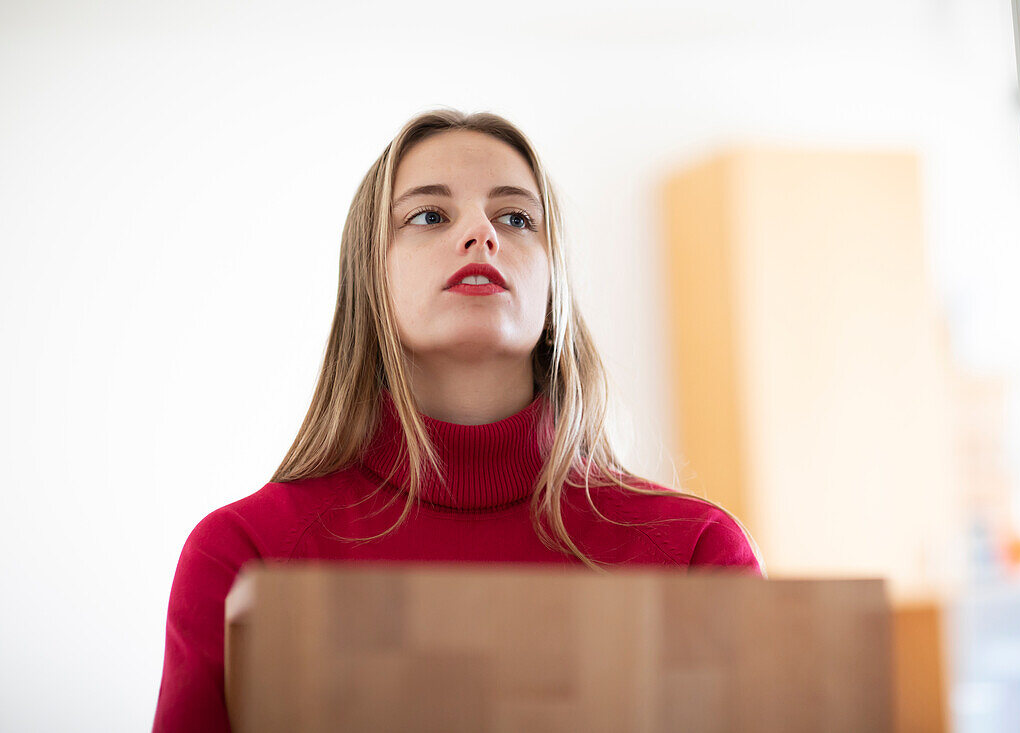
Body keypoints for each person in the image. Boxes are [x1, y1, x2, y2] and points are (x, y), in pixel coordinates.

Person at [152, 108, 766, 732]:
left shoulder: (698, 554)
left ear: (554, 284)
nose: (481, 233)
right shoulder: (245, 556)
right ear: (371, 278)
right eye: (429, 215)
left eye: (517, 218)